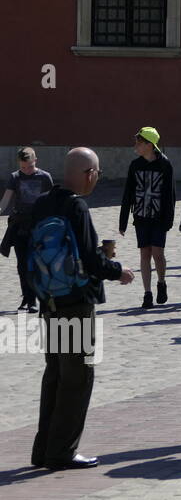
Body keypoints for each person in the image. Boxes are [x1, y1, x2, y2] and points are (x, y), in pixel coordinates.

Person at [29, 148, 133, 470]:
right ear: (88, 173)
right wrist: (118, 271)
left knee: (56, 374)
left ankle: (43, 449)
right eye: (97, 174)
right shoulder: (76, 206)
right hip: (76, 304)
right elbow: (90, 260)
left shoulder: (42, 204)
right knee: (78, 378)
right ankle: (62, 452)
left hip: (49, 302)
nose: (97, 180)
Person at [119, 127, 175, 309]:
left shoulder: (165, 165)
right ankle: (147, 293)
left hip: (159, 217)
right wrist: (123, 220)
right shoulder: (135, 165)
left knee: (158, 254)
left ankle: (161, 282)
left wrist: (168, 219)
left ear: (150, 145)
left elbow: (170, 195)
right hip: (141, 216)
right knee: (145, 253)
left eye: (139, 143)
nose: (136, 146)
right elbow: (128, 193)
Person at [1, 147, 55, 312]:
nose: (27, 170)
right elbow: (6, 200)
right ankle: (28, 298)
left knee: (39, 264)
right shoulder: (15, 177)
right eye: (23, 167)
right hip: (20, 227)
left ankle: (40, 297)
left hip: (39, 227)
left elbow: (52, 201)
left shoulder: (45, 177)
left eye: (30, 166)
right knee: (23, 264)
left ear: (35, 160)